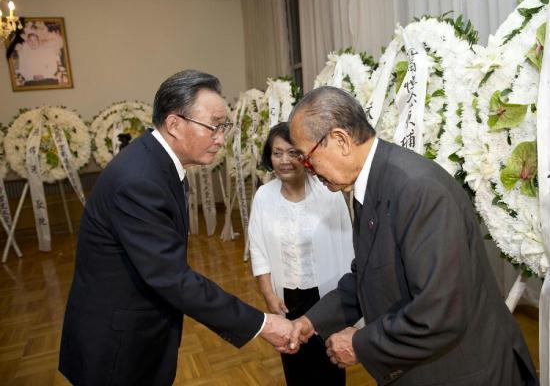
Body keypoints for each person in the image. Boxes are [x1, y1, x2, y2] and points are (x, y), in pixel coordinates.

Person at [287, 86, 538, 385]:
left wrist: (359, 345)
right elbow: (367, 274)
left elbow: (439, 314)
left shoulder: (418, 190)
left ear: (340, 140)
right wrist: (311, 320)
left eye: (306, 159)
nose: (309, 170)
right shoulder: (370, 183)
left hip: (466, 371)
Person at [59, 70, 294, 385]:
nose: (221, 138)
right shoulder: (139, 180)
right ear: (174, 124)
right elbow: (171, 276)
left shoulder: (155, 163)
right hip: (116, 346)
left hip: (140, 330)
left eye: (223, 127)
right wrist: (261, 323)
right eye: (214, 126)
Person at [249, 122, 354, 385]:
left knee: (330, 363)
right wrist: (268, 294)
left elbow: (348, 246)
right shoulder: (264, 196)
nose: (284, 161)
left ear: (305, 156)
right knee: (295, 364)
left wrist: (349, 307)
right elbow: (258, 248)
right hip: (287, 298)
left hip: (327, 295)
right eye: (277, 153)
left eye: (293, 152)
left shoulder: (328, 193)